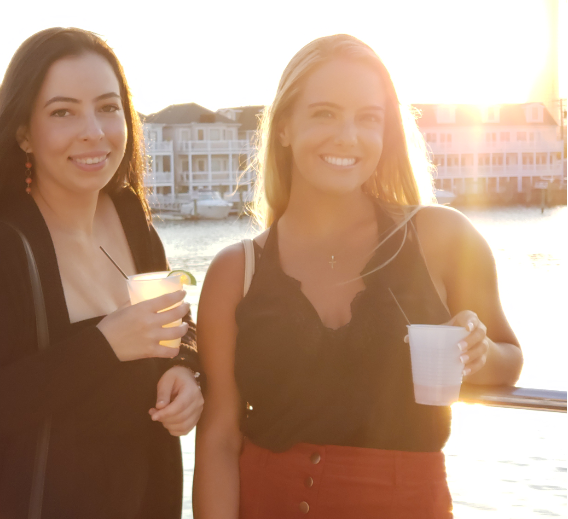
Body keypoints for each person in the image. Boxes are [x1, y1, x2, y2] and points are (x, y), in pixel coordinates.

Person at [193, 34, 523, 519]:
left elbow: (508, 360)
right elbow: (220, 438)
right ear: (283, 127)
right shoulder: (233, 272)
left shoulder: (443, 237)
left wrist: (477, 351)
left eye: (368, 118)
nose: (348, 136)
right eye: (324, 113)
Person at [0, 28, 203, 519]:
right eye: (63, 112)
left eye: (108, 107)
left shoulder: (132, 219)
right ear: (24, 133)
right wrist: (103, 346)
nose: (93, 130)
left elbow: (175, 328)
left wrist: (188, 373)